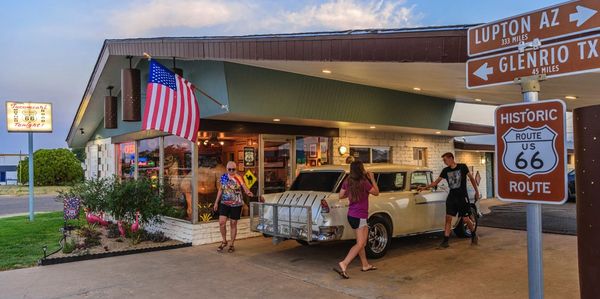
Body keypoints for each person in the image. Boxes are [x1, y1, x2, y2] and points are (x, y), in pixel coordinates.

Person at [418, 152, 480, 248]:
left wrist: (477, 192)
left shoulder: (462, 167)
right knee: (448, 218)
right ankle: (445, 241)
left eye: (445, 160)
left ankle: (473, 234)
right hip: (452, 197)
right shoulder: (445, 170)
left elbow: (471, 178)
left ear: (451, 158)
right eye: (443, 160)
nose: (444, 162)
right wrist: (424, 187)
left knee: (466, 219)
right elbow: (436, 182)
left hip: (462, 197)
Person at [334, 161, 380, 279]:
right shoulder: (364, 182)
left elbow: (340, 195)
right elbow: (376, 193)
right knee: (360, 243)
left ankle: (365, 265)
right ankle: (344, 263)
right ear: (361, 169)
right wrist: (372, 179)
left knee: (362, 243)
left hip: (352, 216)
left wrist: (350, 193)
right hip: (360, 217)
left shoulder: (347, 182)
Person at [213, 161, 253, 253]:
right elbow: (220, 190)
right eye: (229, 169)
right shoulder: (223, 177)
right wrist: (216, 202)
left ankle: (231, 244)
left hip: (236, 204)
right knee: (221, 222)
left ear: (236, 169)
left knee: (233, 224)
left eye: (233, 169)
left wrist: (248, 192)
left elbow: (244, 187)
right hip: (224, 203)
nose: (231, 171)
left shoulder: (238, 178)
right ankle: (224, 241)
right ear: (227, 169)